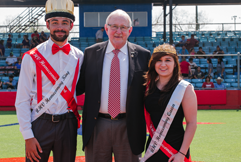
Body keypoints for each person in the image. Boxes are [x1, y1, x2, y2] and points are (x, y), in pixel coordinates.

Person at [76, 9, 151, 162]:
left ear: (129, 30)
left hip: (129, 126)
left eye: (123, 27)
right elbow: (78, 87)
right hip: (97, 125)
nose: (118, 31)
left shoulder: (144, 55)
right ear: (106, 28)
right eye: (114, 26)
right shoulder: (90, 53)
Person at [15, 0, 84, 161]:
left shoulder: (80, 57)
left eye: (64, 23)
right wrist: (28, 136)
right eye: (55, 22)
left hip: (68, 124)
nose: (60, 27)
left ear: (71, 26)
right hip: (40, 122)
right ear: (47, 25)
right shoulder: (31, 57)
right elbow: (22, 99)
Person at [142, 44, 197, 162]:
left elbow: (192, 123)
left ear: (175, 63)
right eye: (158, 60)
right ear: (153, 63)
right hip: (153, 148)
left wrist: (181, 153)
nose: (163, 64)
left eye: (168, 60)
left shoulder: (185, 88)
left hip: (175, 150)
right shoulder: (148, 87)